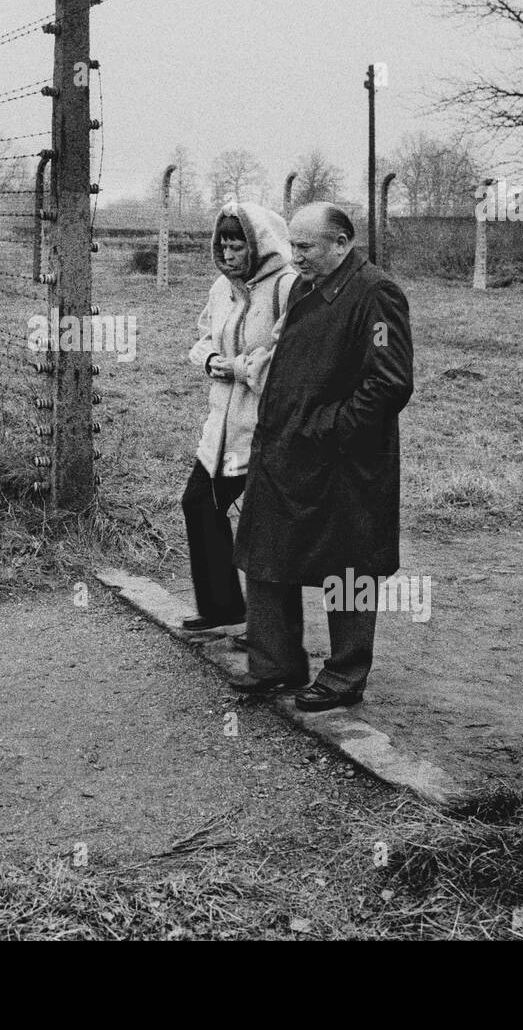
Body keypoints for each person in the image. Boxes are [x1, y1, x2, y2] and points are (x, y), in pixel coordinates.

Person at [230, 203, 414, 709]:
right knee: (267, 551)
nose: (295, 256)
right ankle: (276, 663)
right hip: (285, 450)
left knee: (349, 563)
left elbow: (390, 383)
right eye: (292, 245)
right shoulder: (308, 286)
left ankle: (345, 674)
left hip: (343, 460)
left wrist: (327, 428)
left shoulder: (376, 293)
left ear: (341, 242)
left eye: (305, 246)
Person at [181, 201, 299, 632]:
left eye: (238, 247)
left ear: (260, 245)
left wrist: (240, 369)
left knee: (265, 532)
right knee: (199, 502)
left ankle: (274, 641)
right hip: (222, 428)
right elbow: (205, 336)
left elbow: (287, 360)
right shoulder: (221, 287)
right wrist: (213, 358)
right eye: (223, 246)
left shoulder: (288, 287)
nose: (228, 256)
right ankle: (222, 607)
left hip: (267, 430)